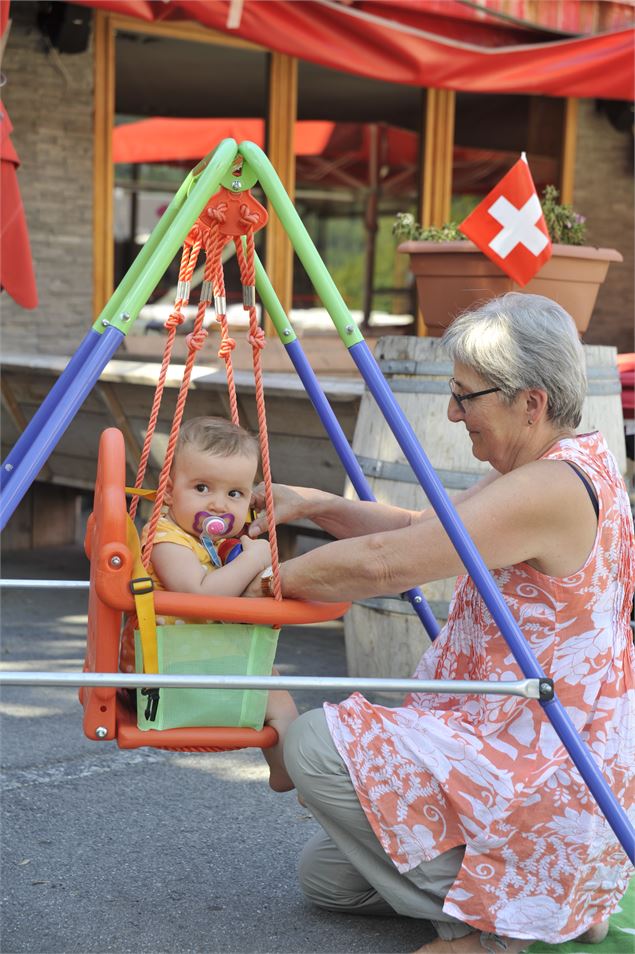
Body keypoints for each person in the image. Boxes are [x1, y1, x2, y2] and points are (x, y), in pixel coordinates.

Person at [245, 293, 634, 952]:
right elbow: (424, 532)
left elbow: (382, 565)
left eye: (466, 396)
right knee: (329, 882)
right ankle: (555, 899)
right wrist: (315, 506)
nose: (454, 413)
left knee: (312, 745)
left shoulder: (549, 489)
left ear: (529, 402)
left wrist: (253, 581)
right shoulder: (546, 468)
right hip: (523, 749)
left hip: (540, 766)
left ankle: (497, 932)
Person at [120, 416, 298, 792]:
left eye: (234, 494)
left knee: (281, 701)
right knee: (272, 693)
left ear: (249, 501)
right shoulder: (167, 539)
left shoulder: (220, 544)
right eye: (202, 488)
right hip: (164, 670)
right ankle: (291, 771)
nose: (218, 504)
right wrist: (254, 559)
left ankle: (286, 773)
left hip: (206, 657)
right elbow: (199, 598)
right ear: (168, 492)